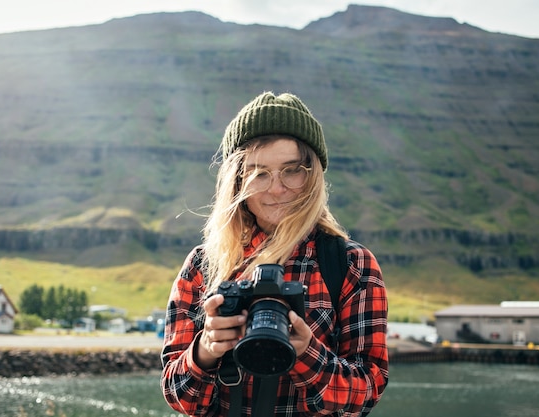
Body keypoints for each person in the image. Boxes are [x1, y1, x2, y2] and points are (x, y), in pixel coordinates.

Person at [161, 92, 389, 416]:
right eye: (258, 172)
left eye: (291, 170)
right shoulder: (203, 265)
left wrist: (307, 353)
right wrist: (206, 350)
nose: (276, 188)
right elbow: (178, 396)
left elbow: (367, 392)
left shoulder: (351, 264)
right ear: (237, 179)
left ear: (312, 175)